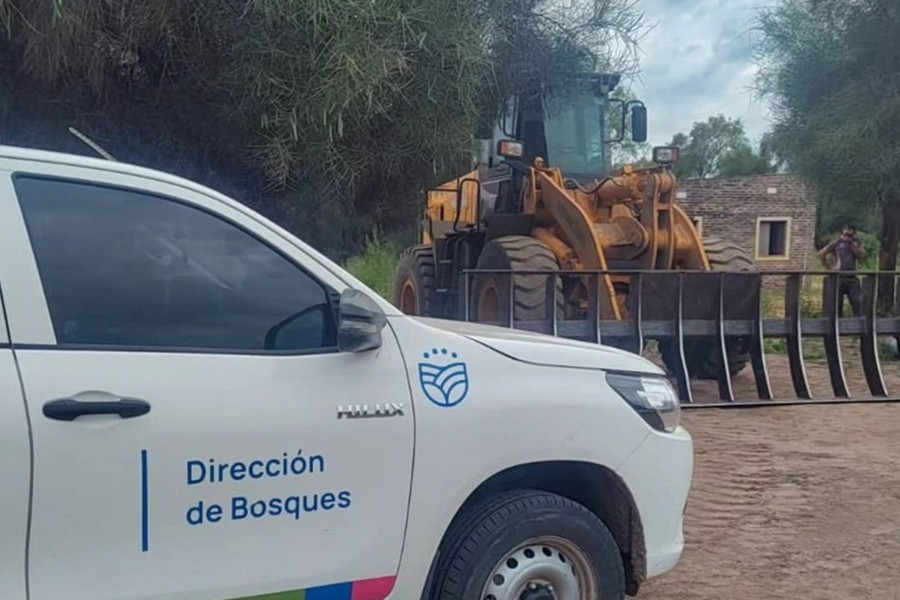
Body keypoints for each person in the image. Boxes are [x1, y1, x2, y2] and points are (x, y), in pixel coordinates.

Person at [818, 224, 867, 316]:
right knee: (836, 305)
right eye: (846, 233)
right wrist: (829, 268)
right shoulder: (837, 242)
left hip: (852, 277)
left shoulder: (856, 243)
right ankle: (837, 322)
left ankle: (859, 322)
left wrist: (851, 244)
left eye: (851, 233)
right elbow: (821, 253)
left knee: (858, 303)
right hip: (838, 277)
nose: (848, 235)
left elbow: (862, 255)